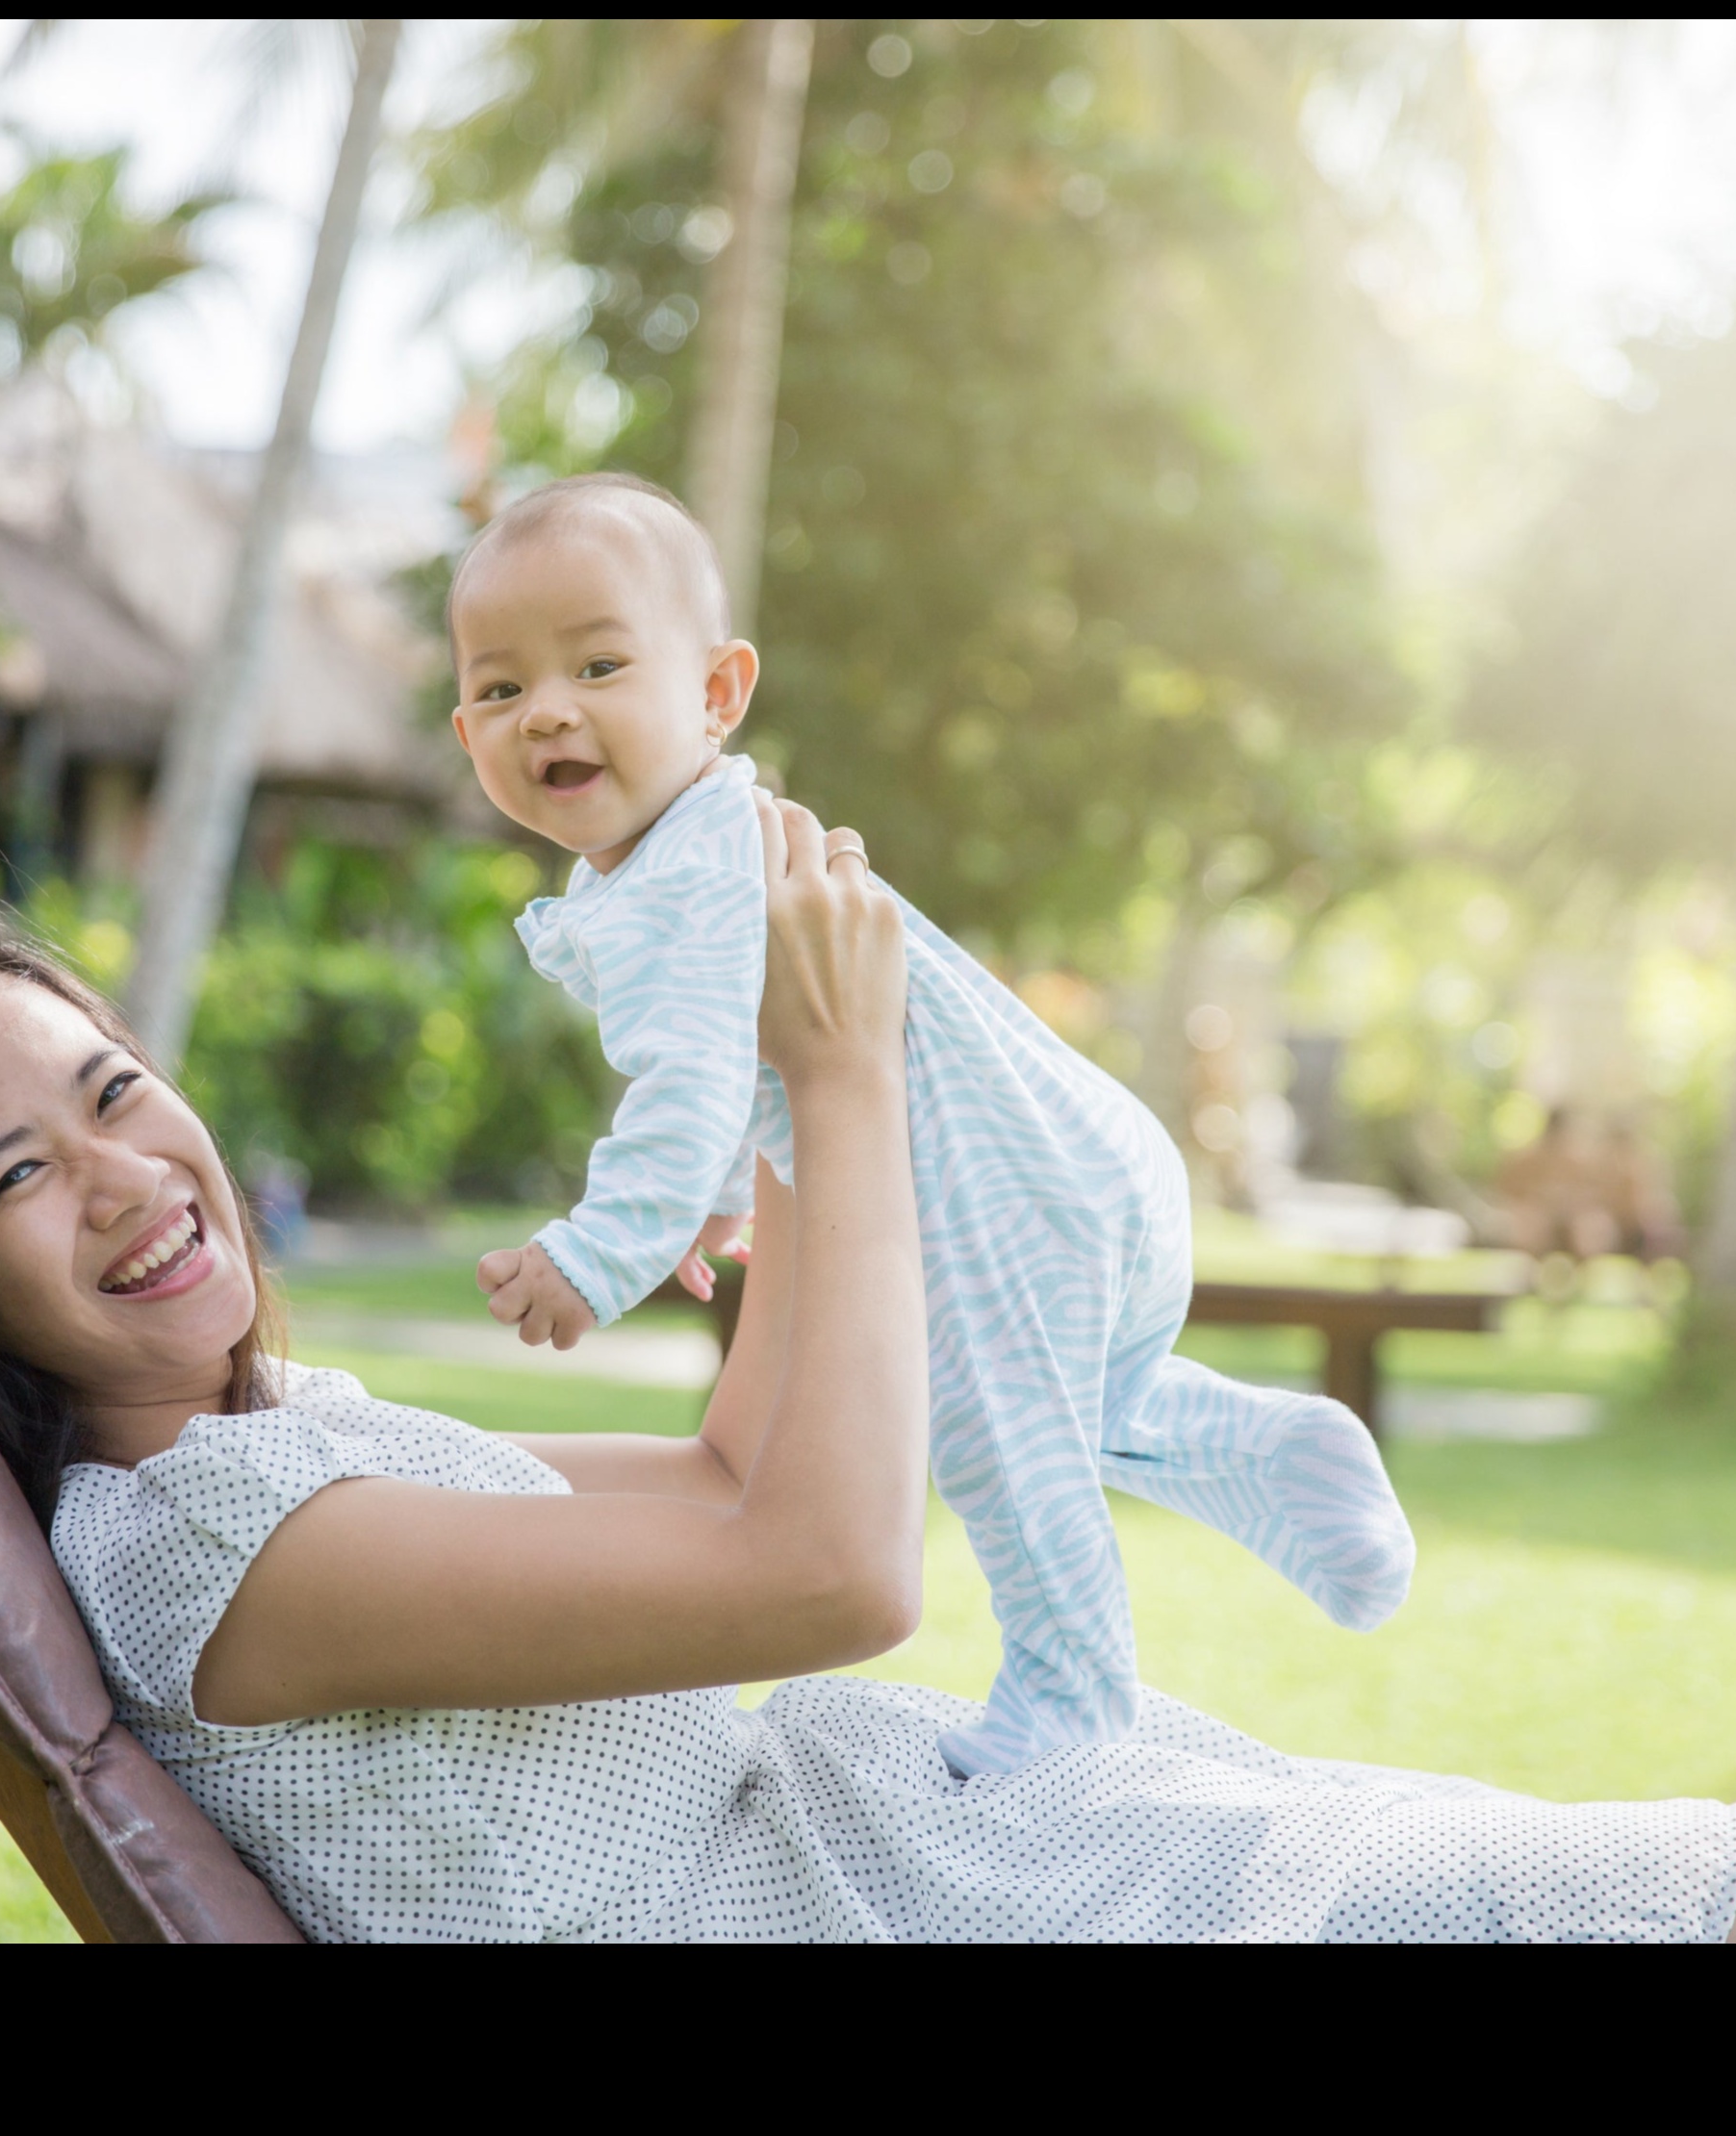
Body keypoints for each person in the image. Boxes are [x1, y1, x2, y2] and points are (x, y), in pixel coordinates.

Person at [0, 830, 1736, 1943]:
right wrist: (840, 1093)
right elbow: (836, 1567)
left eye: (115, 1084)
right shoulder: (210, 1555)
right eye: (18, 1174)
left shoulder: (278, 1449)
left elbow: (747, 1464)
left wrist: (784, 1158)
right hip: (929, 1902)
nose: (133, 1173)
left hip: (968, 1854)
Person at [442, 471, 1408, 1778]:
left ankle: (1074, 1693)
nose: (546, 709)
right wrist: (729, 1196)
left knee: (999, 1430)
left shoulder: (689, 870)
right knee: (1080, 1408)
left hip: (1010, 1180)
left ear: (718, 695)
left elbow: (681, 1088)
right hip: (1073, 1157)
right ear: (466, 732)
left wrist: (595, 1254)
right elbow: (737, 1059)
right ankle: (1285, 1452)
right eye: (502, 690)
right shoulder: (688, 855)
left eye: (600, 665)